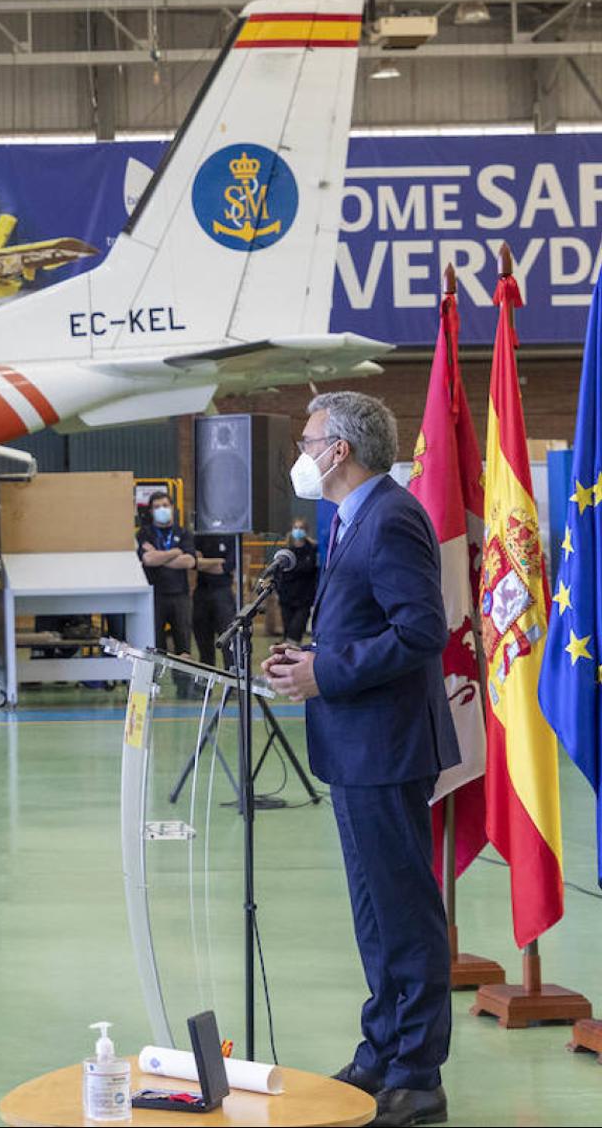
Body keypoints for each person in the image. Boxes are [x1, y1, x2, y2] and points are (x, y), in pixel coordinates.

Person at [261, 392, 455, 1128]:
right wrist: (314, 652)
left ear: (340, 450)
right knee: (375, 911)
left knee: (404, 910)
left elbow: (419, 632)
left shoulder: (393, 517)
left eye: (308, 441)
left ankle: (417, 1073)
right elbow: (366, 621)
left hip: (386, 744)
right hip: (357, 743)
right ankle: (382, 1048)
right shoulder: (350, 517)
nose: (302, 455)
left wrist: (325, 674)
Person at [136, 490, 197, 694]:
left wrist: (159, 555)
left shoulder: (183, 532)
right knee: (154, 642)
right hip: (153, 596)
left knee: (183, 641)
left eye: (165, 505)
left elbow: (189, 561)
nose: (162, 509)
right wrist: (175, 553)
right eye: (157, 507)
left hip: (179, 595)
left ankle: (184, 686)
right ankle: (152, 685)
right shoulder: (144, 533)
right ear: (151, 511)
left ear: (172, 508)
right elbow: (147, 560)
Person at [190, 532, 238, 671]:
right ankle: (205, 687)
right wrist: (217, 561)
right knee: (204, 645)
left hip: (223, 593)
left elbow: (225, 567)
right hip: (201, 593)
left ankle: (232, 687)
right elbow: (193, 563)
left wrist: (204, 563)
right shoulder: (199, 536)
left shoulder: (231, 537)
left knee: (228, 644)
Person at [275, 518, 321, 643]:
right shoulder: (285, 550)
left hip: (304, 598)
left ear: (306, 531)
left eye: (301, 528)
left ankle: (292, 654)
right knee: (288, 629)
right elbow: (279, 572)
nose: (298, 531)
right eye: (296, 527)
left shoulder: (313, 549)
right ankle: (287, 658)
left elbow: (312, 570)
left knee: (295, 632)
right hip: (286, 596)